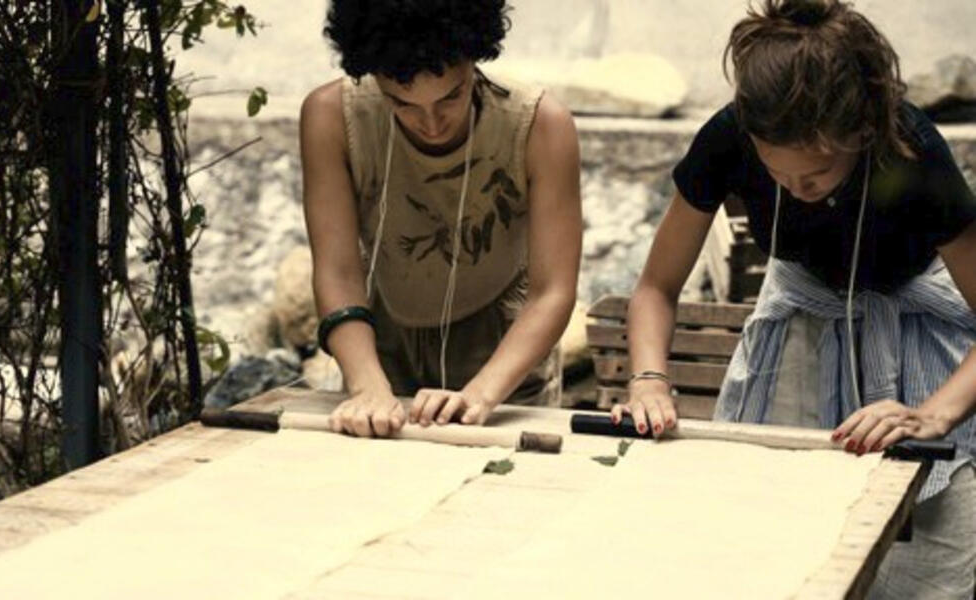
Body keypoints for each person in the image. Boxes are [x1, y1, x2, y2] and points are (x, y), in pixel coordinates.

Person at [613, 1, 976, 596]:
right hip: (801, 324)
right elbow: (656, 287)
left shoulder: (912, 152)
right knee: (770, 540)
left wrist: (932, 413)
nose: (796, 190)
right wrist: (649, 378)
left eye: (816, 174)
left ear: (860, 134)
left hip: (913, 328)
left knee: (926, 558)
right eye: (777, 174)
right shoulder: (729, 135)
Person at [299, 0, 581, 439]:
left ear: (476, 60)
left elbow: (553, 291)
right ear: (372, 74)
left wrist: (483, 394)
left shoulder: (541, 125)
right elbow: (336, 271)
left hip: (504, 347)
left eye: (452, 95)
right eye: (403, 103)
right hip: (382, 334)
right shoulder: (331, 116)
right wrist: (367, 386)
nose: (431, 123)